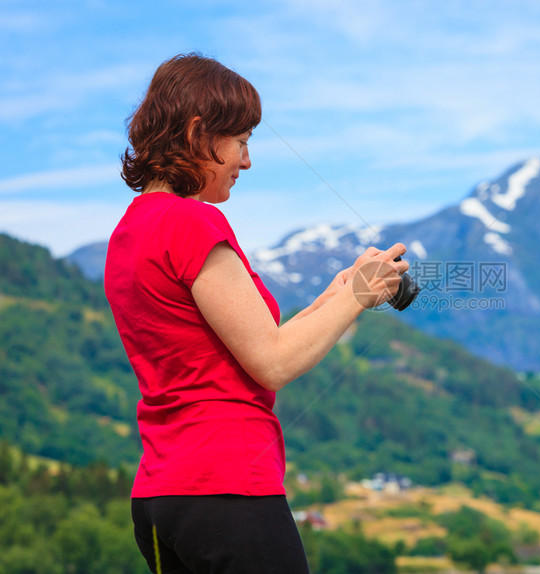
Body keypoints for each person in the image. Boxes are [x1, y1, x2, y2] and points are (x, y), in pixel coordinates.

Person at [104, 53, 408, 574]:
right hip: (229, 491)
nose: (246, 162)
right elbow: (272, 363)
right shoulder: (193, 223)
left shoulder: (129, 234)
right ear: (201, 134)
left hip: (161, 498)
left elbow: (245, 348)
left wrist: (342, 294)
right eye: (241, 143)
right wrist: (356, 297)